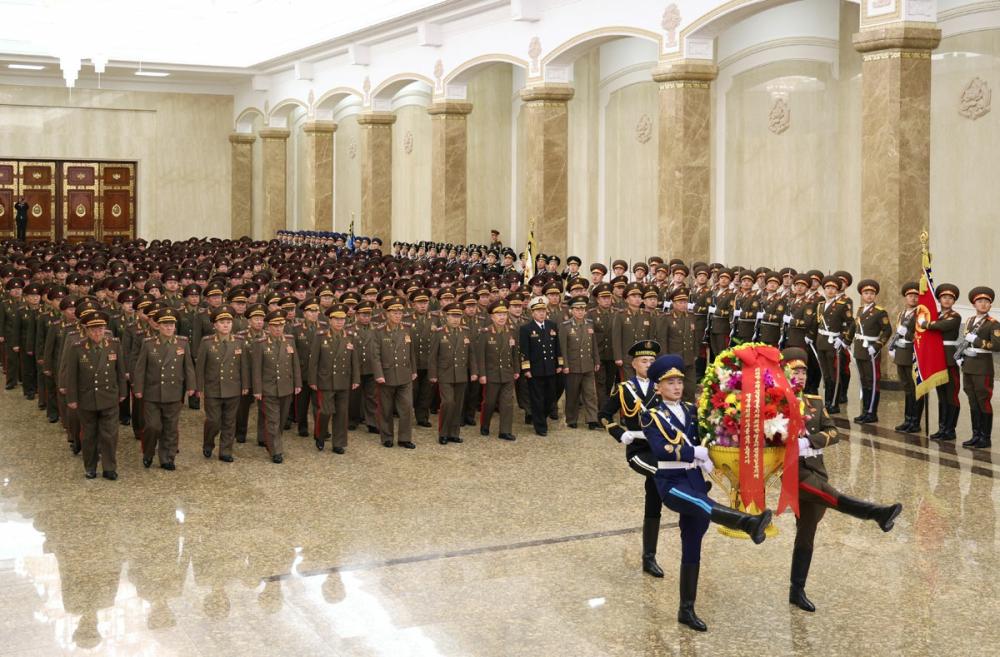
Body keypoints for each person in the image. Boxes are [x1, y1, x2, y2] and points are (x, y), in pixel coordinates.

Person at [640, 353, 772, 632]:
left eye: (679, 381)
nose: (676, 387)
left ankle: (686, 609)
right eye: (670, 383)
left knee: (693, 543)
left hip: (695, 478)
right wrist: (693, 453)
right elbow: (661, 449)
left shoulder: (691, 410)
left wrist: (715, 449)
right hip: (671, 482)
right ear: (658, 387)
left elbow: (708, 434)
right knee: (702, 503)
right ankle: (748, 523)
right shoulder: (651, 416)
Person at [780, 347, 902, 612]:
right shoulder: (775, 404)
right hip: (792, 473)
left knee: (806, 534)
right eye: (794, 371)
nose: (800, 376)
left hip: (816, 470)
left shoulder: (814, 402)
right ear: (783, 373)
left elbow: (834, 432)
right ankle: (877, 513)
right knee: (830, 496)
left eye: (803, 372)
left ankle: (796, 590)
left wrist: (809, 441)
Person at [598, 339, 664, 578]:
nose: (648, 365)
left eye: (652, 361)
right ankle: (685, 489)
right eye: (644, 361)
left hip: (661, 449)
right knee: (662, 474)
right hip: (639, 450)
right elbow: (604, 415)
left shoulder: (663, 387)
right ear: (634, 364)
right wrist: (619, 433)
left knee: (654, 498)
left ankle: (649, 558)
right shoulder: (624, 389)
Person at [62, 310, 126, 480]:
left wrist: (123, 392)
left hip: (109, 397)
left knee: (110, 435)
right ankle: (90, 467)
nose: (98, 333)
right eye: (94, 330)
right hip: (87, 398)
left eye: (101, 329)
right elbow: (72, 376)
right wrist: (72, 399)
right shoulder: (77, 348)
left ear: (105, 329)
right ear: (87, 331)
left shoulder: (114, 345)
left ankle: (109, 467)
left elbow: (120, 371)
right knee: (89, 435)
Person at [133, 308, 196, 470]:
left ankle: (167, 458)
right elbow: (140, 368)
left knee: (171, 428)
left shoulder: (182, 343)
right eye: (165, 325)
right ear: (158, 326)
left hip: (174, 391)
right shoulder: (148, 344)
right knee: (153, 426)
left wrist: (191, 386)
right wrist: (138, 388)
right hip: (152, 392)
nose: (169, 328)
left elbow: (188, 366)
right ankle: (148, 452)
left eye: (171, 325)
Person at [196, 305, 250, 462]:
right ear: (215, 325)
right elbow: (200, 367)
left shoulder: (239, 341)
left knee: (229, 421)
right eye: (222, 322)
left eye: (228, 322)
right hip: (213, 388)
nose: (226, 325)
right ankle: (208, 443)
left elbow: (244, 366)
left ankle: (226, 451)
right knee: (213, 421)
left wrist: (245, 385)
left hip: (233, 387)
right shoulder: (207, 342)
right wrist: (199, 387)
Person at [309, 304, 360, 454]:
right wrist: (312, 380)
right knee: (325, 411)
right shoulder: (321, 336)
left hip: (343, 380)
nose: (339, 322)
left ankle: (339, 443)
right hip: (326, 380)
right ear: (330, 320)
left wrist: (356, 379)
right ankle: (320, 434)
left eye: (342, 319)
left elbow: (354, 360)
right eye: (336, 319)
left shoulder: (350, 336)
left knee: (342, 413)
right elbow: (314, 361)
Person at [253, 310, 302, 463]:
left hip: (286, 387)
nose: (278, 329)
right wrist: (257, 390)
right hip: (269, 388)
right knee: (273, 420)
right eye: (274, 326)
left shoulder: (289, 340)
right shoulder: (260, 344)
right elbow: (256, 369)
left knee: (281, 419)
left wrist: (298, 383)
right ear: (268, 327)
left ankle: (271, 440)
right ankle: (276, 451)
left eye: (280, 325)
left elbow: (295, 364)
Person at [372, 296, 417, 449]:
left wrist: (414, 370)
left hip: (405, 374)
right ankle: (387, 437)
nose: (398, 315)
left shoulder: (407, 329)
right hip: (386, 375)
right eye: (394, 313)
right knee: (386, 409)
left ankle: (405, 438)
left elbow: (411, 352)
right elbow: (375, 355)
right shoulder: (379, 331)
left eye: (400, 313)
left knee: (407, 408)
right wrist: (379, 374)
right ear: (387, 314)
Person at [958, 286, 999, 449]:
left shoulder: (993, 324)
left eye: (986, 302)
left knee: (983, 400)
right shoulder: (969, 321)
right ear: (974, 304)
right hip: (968, 365)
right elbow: (965, 341)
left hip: (983, 366)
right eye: (980, 301)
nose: (983, 304)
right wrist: (961, 356)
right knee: (972, 400)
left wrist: (976, 340)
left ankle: (985, 437)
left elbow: (997, 345)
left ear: (990, 305)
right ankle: (975, 435)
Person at [428, 302, 474, 445]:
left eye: (458, 316)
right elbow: (432, 356)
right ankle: (443, 433)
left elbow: (471, 354)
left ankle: (454, 433)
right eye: (453, 316)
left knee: (458, 405)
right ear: (446, 317)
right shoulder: (439, 333)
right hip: (445, 374)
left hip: (461, 374)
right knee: (448, 402)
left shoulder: (465, 332)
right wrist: (433, 374)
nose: (455, 319)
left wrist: (474, 372)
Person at [921, 283, 962, 441]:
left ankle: (950, 429)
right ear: (939, 299)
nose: (947, 300)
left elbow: (940, 326)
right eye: (944, 297)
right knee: (941, 395)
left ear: (954, 301)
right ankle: (942, 427)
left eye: (950, 298)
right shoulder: (935, 314)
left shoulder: (955, 316)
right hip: (937, 357)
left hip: (949, 359)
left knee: (951, 395)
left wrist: (926, 324)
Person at [475, 299, 519, 441]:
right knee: (489, 402)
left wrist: (516, 370)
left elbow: (515, 353)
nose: (502, 317)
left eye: (504, 314)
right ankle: (485, 424)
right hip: (491, 374)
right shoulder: (485, 333)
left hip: (507, 373)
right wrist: (482, 374)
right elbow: (481, 356)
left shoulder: (511, 331)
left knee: (507, 403)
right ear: (492, 317)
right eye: (499, 315)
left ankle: (505, 431)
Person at [519, 296, 563, 437]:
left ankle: (540, 417)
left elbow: (557, 346)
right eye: (538, 311)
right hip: (535, 370)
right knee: (537, 398)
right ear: (532, 313)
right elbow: (524, 351)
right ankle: (540, 426)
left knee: (550, 398)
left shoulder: (552, 325)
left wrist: (559, 363)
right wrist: (526, 369)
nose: (541, 313)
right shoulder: (526, 329)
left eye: (543, 311)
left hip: (550, 368)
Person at [851, 279, 891, 424]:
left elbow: (887, 331)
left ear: (875, 295)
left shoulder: (880, 312)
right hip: (860, 349)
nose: (869, 296)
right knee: (864, 380)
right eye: (866, 293)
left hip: (871, 350)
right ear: (862, 295)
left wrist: (877, 345)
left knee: (872, 381)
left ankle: (872, 413)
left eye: (872, 293)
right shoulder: (860, 310)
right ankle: (865, 410)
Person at [559, 296, 599, 429]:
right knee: (572, 394)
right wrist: (565, 365)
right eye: (577, 309)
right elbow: (563, 348)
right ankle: (571, 419)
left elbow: (593, 344)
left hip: (588, 364)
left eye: (582, 309)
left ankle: (592, 419)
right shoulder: (565, 326)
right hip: (573, 365)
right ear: (572, 310)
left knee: (590, 393)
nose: (580, 312)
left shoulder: (589, 324)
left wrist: (596, 360)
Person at [816, 275, 853, 414]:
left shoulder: (842, 306)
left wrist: (843, 339)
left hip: (833, 344)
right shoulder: (820, 305)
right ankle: (827, 402)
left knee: (834, 374)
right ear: (824, 290)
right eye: (827, 288)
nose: (830, 290)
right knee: (825, 375)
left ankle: (834, 403)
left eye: (833, 288)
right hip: (821, 342)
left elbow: (851, 324)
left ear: (837, 290)